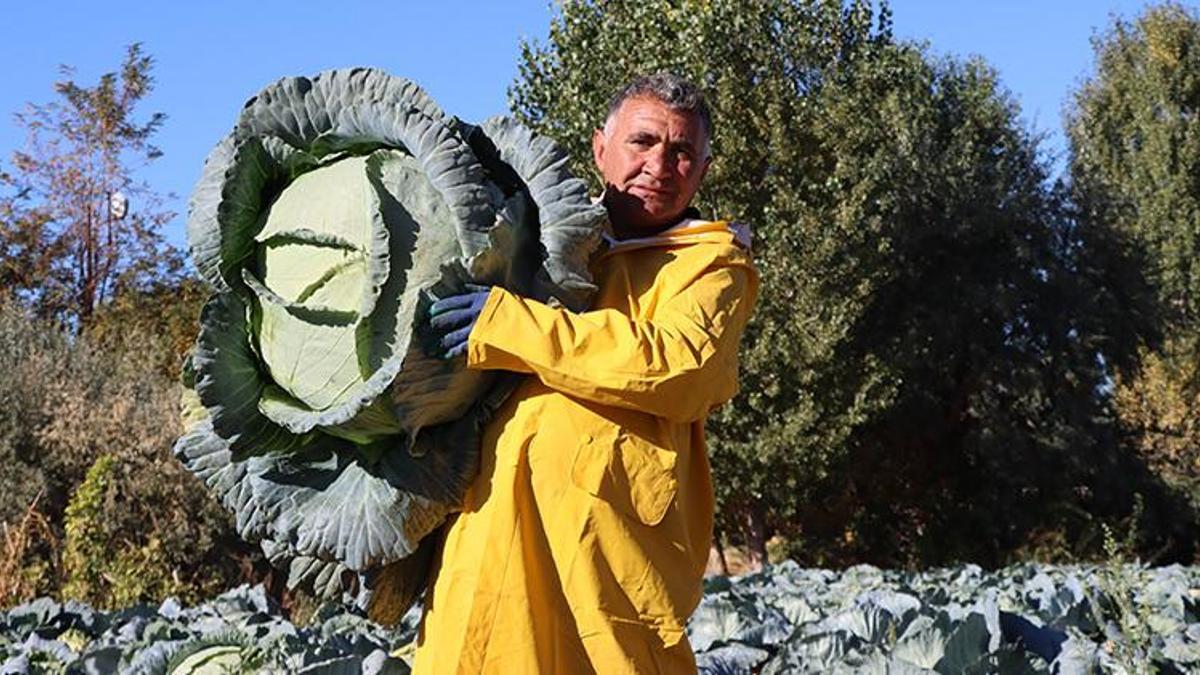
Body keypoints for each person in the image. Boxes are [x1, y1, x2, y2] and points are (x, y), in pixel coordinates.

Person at [413, 73, 759, 674]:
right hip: (487, 539)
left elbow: (676, 363)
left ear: (701, 171)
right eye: (643, 142)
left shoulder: (712, 265)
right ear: (601, 148)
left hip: (607, 561)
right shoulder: (535, 240)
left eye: (682, 152)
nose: (660, 163)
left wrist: (510, 327)